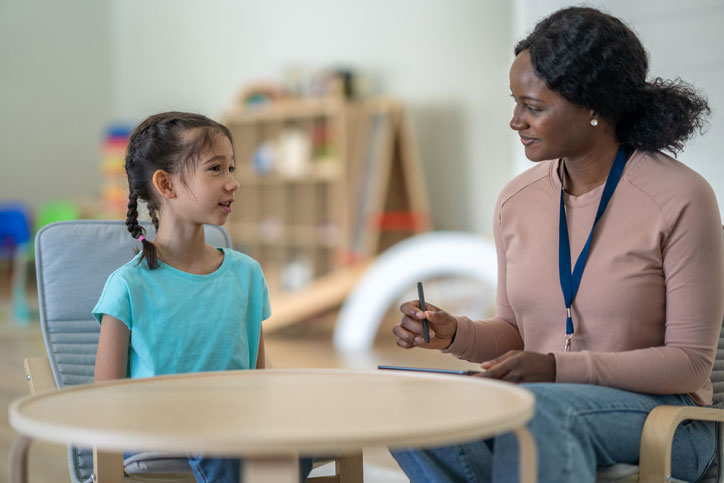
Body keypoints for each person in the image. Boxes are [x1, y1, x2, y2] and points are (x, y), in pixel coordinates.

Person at [391, 7, 724, 483]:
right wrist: (453, 334)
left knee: (539, 412)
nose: (515, 121)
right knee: (411, 405)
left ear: (593, 106)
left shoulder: (680, 196)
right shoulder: (516, 201)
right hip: (542, 402)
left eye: (534, 107)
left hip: (668, 419)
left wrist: (555, 368)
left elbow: (690, 364)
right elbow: (513, 329)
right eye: (515, 102)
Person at [92, 111, 313, 482]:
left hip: (235, 426)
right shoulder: (128, 285)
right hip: (156, 436)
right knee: (222, 441)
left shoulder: (247, 274)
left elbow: (258, 382)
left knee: (301, 440)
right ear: (166, 185)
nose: (233, 183)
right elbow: (105, 401)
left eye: (232, 168)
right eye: (216, 169)